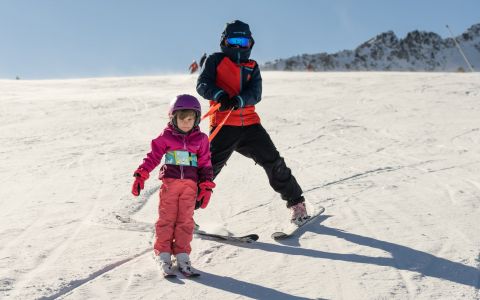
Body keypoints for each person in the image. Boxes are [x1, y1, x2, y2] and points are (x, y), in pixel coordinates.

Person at [196, 20, 310, 225]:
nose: (239, 46)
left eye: (243, 41)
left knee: (274, 162)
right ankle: (184, 211)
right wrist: (220, 95)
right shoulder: (215, 60)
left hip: (250, 126)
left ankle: (297, 204)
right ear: (224, 41)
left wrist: (239, 100)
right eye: (234, 41)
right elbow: (203, 84)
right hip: (224, 125)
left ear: (250, 43)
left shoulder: (252, 66)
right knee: (208, 169)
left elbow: (255, 93)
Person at [131, 94, 215, 276]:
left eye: (190, 119)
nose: (186, 123)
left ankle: (183, 254)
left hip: (190, 187)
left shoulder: (200, 139)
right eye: (182, 118)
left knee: (185, 220)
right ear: (173, 118)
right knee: (167, 219)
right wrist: (141, 174)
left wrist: (206, 186)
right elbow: (153, 157)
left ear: (197, 119)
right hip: (170, 185)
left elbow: (205, 163)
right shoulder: (167, 137)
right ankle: (163, 254)